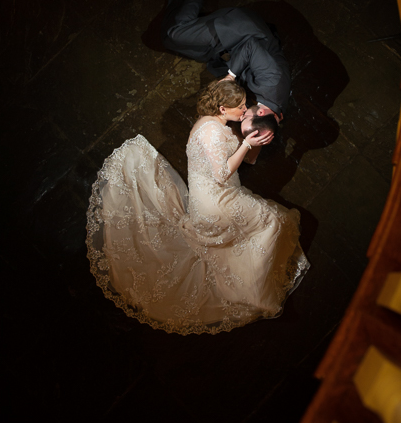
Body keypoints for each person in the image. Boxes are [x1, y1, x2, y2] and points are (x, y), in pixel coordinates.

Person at [86, 79, 309, 335]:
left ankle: (247, 279)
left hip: (221, 196)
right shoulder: (211, 132)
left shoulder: (216, 122)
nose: (245, 109)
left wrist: (254, 143)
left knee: (269, 221)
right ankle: (255, 290)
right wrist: (247, 144)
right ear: (223, 109)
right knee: (274, 221)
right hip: (215, 203)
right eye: (240, 106)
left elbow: (249, 160)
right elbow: (223, 173)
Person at [158, 0, 290, 121]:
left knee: (170, 42)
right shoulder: (273, 82)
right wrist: (230, 76)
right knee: (175, 33)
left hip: (232, 50)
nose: (241, 117)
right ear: (261, 113)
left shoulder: (274, 110)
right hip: (242, 31)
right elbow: (251, 46)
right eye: (245, 118)